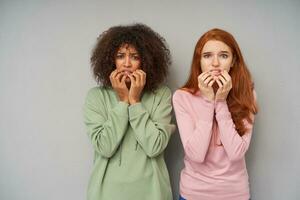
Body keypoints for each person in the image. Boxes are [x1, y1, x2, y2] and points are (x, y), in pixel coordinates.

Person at [83, 23, 175, 200]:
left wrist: (135, 101)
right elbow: (105, 147)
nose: (126, 63)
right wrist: (122, 101)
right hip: (106, 193)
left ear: (146, 61)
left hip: (153, 193)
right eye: (120, 56)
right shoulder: (96, 97)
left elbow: (154, 146)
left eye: (134, 56)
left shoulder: (161, 94)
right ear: (110, 60)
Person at [173, 28, 258, 200]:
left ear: (233, 61)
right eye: (207, 56)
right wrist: (207, 101)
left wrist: (220, 102)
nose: (215, 63)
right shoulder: (182, 97)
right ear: (199, 62)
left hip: (235, 194)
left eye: (224, 55)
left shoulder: (248, 95)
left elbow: (236, 153)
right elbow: (196, 155)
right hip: (193, 194)